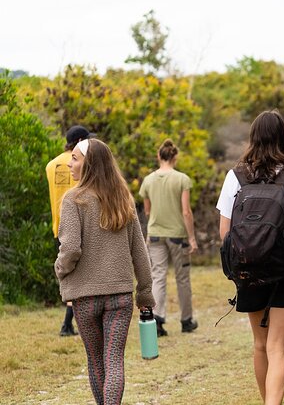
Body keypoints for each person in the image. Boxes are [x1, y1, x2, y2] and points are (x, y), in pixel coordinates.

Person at [217, 110, 284, 405]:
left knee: (260, 344)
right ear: (283, 137)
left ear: (253, 138)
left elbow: (224, 234)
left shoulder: (235, 176)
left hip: (249, 272)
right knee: (278, 348)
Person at [54, 138, 155, 405]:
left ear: (90, 163)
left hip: (86, 297)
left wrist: (60, 270)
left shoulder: (73, 199)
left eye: (75, 158)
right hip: (120, 295)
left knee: (96, 360)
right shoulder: (124, 199)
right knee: (114, 361)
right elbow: (139, 252)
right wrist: (145, 294)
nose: (70, 163)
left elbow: (71, 249)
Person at [139, 139, 199, 336]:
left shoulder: (147, 180)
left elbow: (147, 211)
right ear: (175, 157)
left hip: (155, 234)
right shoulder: (182, 179)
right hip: (178, 236)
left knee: (158, 276)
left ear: (159, 156)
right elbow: (186, 212)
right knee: (182, 279)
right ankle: (186, 320)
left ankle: (157, 319)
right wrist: (191, 238)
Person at [46, 124, 95, 337]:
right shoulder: (83, 164)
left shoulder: (51, 165)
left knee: (68, 273)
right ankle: (68, 323)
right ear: (79, 142)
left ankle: (68, 323)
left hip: (58, 225)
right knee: (82, 275)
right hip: (80, 223)